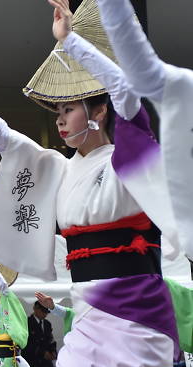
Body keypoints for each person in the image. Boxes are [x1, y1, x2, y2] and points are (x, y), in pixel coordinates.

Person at [0, 1, 191, 367]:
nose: (60, 120)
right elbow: (3, 137)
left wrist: (72, 43)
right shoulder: (60, 170)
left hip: (136, 316)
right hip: (88, 316)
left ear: (100, 110)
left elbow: (125, 90)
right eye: (58, 111)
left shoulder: (131, 155)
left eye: (69, 108)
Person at [95, 0, 193, 260]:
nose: (60, 120)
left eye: (68, 110)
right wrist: (69, 40)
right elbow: (134, 75)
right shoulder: (186, 89)